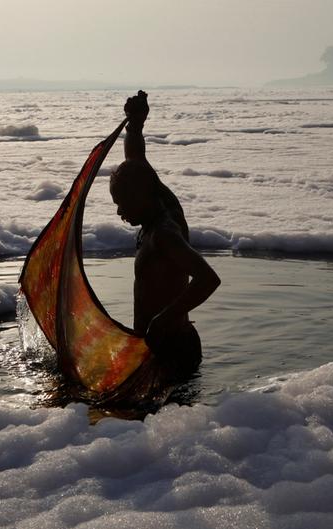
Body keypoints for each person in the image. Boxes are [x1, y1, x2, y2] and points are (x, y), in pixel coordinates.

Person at [109, 91, 221, 385]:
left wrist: (164, 319)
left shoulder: (165, 235)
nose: (119, 212)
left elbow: (208, 279)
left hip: (173, 349)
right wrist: (135, 126)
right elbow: (136, 159)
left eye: (123, 204)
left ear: (143, 197)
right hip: (153, 346)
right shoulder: (156, 203)